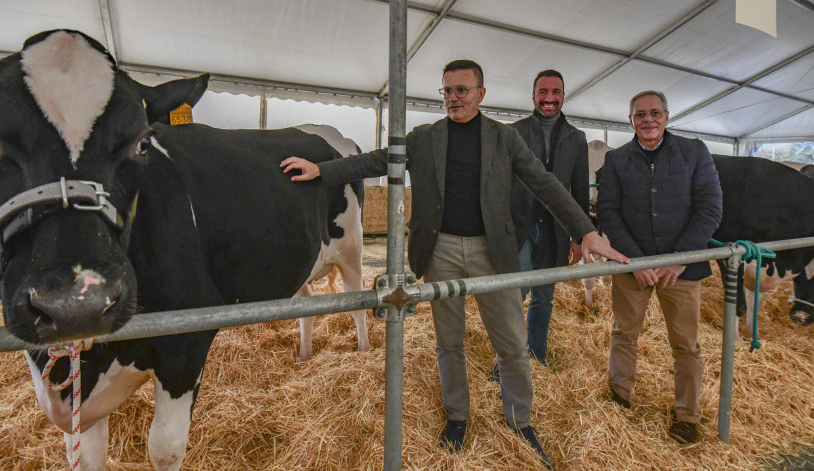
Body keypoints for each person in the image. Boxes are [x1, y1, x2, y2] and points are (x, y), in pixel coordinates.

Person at [281, 60, 629, 468]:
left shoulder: (505, 138)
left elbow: (544, 182)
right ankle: (458, 417)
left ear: (481, 94)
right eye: (447, 91)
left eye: (462, 90)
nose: (453, 98)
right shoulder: (425, 138)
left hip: (493, 251)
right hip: (439, 249)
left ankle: (520, 421)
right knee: (449, 341)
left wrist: (584, 230)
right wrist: (324, 169)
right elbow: (378, 160)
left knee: (512, 344)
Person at [595, 90, 723, 444]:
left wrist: (680, 257)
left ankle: (687, 415)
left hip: (680, 270)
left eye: (654, 113)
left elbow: (710, 208)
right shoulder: (617, 159)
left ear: (667, 116)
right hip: (631, 266)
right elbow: (608, 212)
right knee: (624, 333)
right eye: (640, 114)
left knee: (686, 343)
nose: (647, 119)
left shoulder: (694, 152)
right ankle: (619, 396)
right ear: (630, 120)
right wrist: (635, 261)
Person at [492, 70, 589, 378]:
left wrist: (580, 235)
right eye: (543, 92)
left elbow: (580, 190)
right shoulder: (513, 132)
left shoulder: (577, 138)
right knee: (514, 294)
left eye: (555, 92)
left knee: (544, 296)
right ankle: (507, 360)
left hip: (555, 230)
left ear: (564, 95)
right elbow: (499, 183)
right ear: (533, 96)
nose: (549, 98)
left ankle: (537, 355)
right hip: (520, 227)